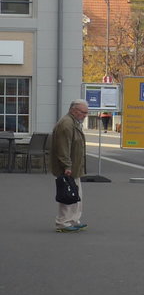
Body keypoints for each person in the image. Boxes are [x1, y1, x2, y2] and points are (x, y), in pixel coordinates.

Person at [51, 99, 89, 232]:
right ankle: (63, 223)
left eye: (86, 113)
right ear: (74, 111)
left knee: (76, 194)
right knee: (68, 194)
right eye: (83, 112)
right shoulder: (67, 124)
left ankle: (73, 220)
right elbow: (63, 148)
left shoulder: (74, 122)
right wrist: (67, 166)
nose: (85, 115)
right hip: (68, 167)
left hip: (74, 166)